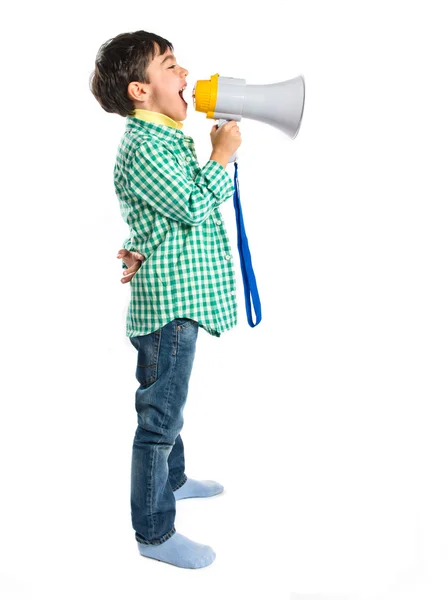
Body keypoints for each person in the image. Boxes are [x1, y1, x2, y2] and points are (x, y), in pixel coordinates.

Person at [89, 30, 241, 569]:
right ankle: (153, 534)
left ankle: (172, 483)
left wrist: (134, 247)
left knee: (168, 406)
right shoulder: (148, 146)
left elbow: (151, 214)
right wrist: (221, 158)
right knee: (159, 421)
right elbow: (195, 204)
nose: (185, 75)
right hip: (169, 310)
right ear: (139, 90)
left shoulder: (163, 138)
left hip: (179, 300)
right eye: (171, 65)